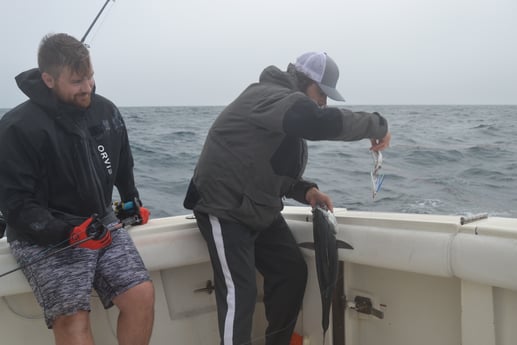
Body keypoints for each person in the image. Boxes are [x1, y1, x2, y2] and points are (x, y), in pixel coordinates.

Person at [183, 51, 391, 345]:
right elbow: (318, 123)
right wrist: (376, 125)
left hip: (257, 206)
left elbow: (270, 167)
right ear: (304, 81)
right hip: (224, 206)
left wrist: (305, 190)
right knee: (238, 294)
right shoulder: (269, 96)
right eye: (322, 93)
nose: (323, 102)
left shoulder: (286, 110)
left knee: (291, 272)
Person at [0, 33, 154, 345]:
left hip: (99, 224)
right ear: (48, 79)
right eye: (76, 81)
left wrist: (130, 201)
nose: (87, 87)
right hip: (44, 238)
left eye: (90, 77)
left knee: (141, 295)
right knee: (73, 320)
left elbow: (123, 163)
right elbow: (14, 204)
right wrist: (63, 232)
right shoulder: (17, 127)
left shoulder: (105, 111)